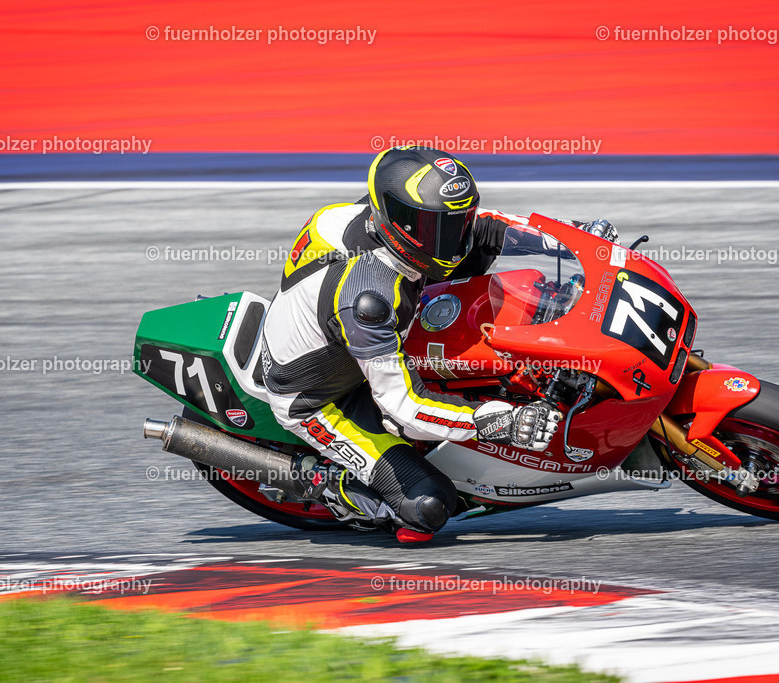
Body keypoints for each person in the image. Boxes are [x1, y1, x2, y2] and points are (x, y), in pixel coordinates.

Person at [260, 146, 615, 542]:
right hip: (321, 396)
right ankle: (329, 482)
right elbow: (404, 404)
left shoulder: (383, 217)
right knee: (429, 507)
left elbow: (487, 226)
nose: (453, 240)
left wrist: (571, 237)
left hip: (354, 333)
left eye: (455, 223)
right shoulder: (368, 301)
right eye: (437, 230)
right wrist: (501, 422)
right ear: (399, 221)